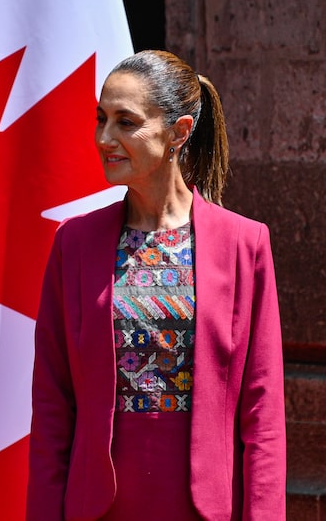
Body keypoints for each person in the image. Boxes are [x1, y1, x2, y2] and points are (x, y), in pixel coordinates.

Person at [26, 49, 286, 520]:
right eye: (101, 118)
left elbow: (262, 413)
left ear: (179, 132)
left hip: (205, 508)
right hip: (98, 508)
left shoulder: (245, 244)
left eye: (126, 122)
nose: (105, 137)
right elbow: (51, 406)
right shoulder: (74, 243)